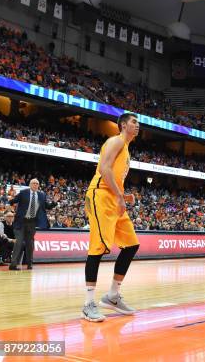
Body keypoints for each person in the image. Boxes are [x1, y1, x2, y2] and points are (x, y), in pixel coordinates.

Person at [82, 113, 140, 322]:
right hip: (100, 196)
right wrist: (119, 197)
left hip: (114, 198)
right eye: (134, 122)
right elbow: (104, 169)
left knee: (132, 245)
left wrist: (122, 195)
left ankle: (113, 296)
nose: (137, 125)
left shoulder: (126, 148)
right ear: (123, 125)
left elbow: (113, 175)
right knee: (97, 248)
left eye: (138, 123)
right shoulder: (115, 141)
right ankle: (88, 303)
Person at [7, 179, 58, 270]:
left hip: (32, 222)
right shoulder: (23, 192)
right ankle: (13, 264)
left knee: (30, 244)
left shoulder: (42, 195)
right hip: (21, 222)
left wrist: (54, 202)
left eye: (37, 183)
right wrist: (10, 201)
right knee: (19, 242)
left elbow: (47, 206)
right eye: (34, 183)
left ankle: (30, 264)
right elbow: (14, 200)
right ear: (30, 184)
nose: (35, 185)